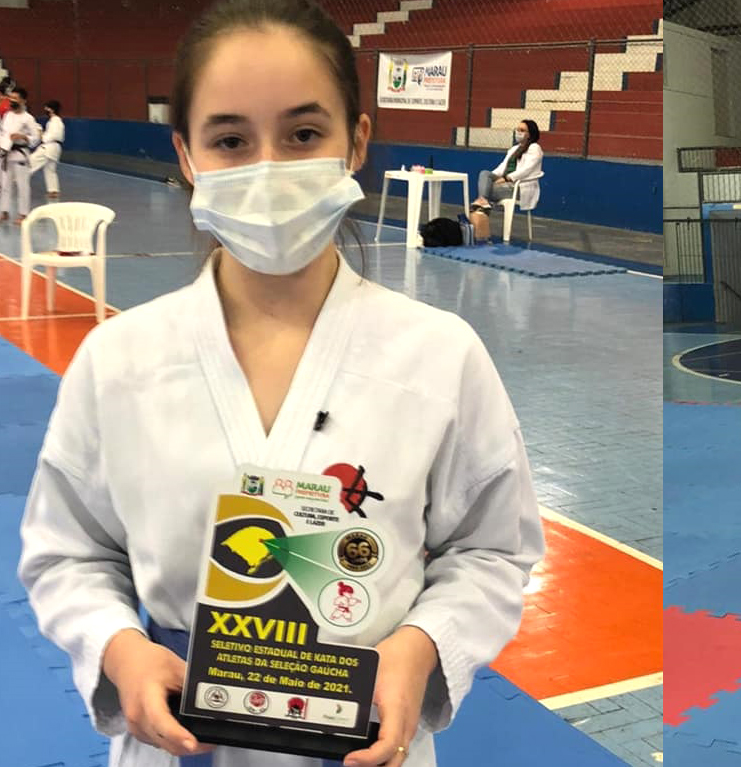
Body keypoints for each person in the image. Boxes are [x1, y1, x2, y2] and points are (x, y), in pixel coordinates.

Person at [17, 2, 544, 767]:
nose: (267, 168)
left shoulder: (440, 356)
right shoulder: (118, 360)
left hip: (364, 734)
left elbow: (492, 549)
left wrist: (424, 643)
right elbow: (68, 552)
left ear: (355, 141)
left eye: (302, 135)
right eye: (230, 140)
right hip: (180, 740)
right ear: (187, 155)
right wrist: (118, 647)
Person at [470, 119, 542, 214]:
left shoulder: (535, 148)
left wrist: (506, 178)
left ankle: (482, 203)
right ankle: (483, 202)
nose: (518, 132)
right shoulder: (514, 149)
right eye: (517, 129)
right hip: (505, 183)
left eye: (522, 130)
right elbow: (502, 167)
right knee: (485, 174)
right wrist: (492, 179)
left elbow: (526, 170)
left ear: (530, 134)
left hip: (518, 187)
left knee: (485, 190)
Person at [0, 87, 41, 223]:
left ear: (23, 100)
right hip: (6, 154)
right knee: (5, 185)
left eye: (15, 98)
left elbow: (36, 138)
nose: (12, 100)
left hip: (20, 155)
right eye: (10, 98)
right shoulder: (7, 115)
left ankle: (23, 214)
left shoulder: (28, 118)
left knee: (22, 185)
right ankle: (4, 211)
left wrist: (23, 136)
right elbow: (3, 133)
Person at [30, 99, 64, 198]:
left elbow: (51, 136)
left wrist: (40, 133)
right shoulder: (54, 121)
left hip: (49, 147)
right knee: (50, 169)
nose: (45, 109)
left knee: (29, 164)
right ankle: (53, 191)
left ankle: (12, 182)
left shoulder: (56, 121)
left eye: (47, 107)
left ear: (51, 109)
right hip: (54, 148)